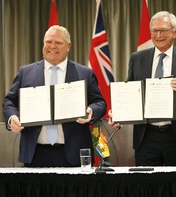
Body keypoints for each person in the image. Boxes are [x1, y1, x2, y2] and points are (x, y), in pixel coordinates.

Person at [2, 25, 106, 167]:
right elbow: (9, 101)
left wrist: (91, 111)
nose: (52, 46)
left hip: (73, 153)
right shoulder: (25, 72)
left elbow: (99, 102)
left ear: (68, 46)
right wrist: (12, 118)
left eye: (58, 42)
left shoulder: (84, 73)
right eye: (48, 42)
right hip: (35, 153)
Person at [109, 11, 176, 166]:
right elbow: (130, 93)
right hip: (146, 137)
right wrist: (119, 114)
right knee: (146, 187)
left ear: (175, 31)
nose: (158, 35)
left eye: (164, 30)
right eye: (154, 30)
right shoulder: (137, 58)